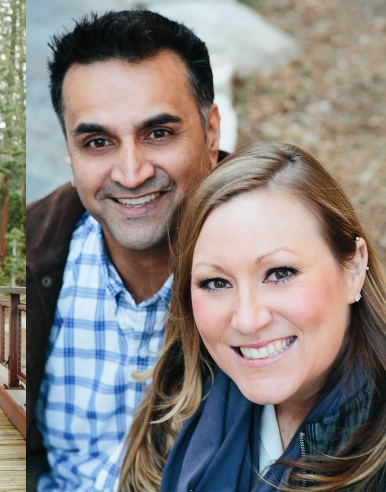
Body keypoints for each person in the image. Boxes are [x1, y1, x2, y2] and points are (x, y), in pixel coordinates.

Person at [26, 9, 223, 491]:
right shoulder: (31, 258)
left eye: (158, 133)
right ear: (70, 155)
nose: (131, 173)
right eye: (98, 142)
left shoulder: (280, 258)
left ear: (211, 133)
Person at [120, 142, 386, 491]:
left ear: (353, 267)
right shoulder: (179, 406)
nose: (247, 320)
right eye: (216, 282)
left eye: (280, 273)